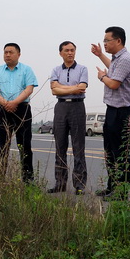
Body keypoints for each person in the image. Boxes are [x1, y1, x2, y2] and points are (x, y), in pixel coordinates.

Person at [91, 26, 130, 199]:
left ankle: (122, 191)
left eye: (107, 40)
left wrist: (102, 77)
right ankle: (112, 187)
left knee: (121, 152)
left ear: (118, 41)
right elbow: (114, 70)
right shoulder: (118, 59)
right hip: (113, 110)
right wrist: (100, 55)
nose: (104, 44)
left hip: (122, 112)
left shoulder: (125, 59)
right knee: (110, 151)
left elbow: (114, 83)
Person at [0, 43, 38, 182]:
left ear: (18, 54)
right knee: (2, 146)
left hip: (22, 110)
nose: (8, 55)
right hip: (2, 111)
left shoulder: (26, 70)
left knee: (25, 146)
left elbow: (29, 89)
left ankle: (27, 181)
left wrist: (14, 102)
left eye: (11, 52)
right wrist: (5, 103)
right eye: (5, 52)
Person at [47, 41, 89, 195]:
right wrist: (73, 88)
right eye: (67, 50)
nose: (70, 53)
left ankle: (79, 185)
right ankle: (60, 183)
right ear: (61, 53)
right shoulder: (56, 70)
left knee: (78, 147)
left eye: (72, 50)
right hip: (61, 107)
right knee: (60, 147)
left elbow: (82, 87)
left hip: (77, 107)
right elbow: (54, 90)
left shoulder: (82, 69)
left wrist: (61, 87)